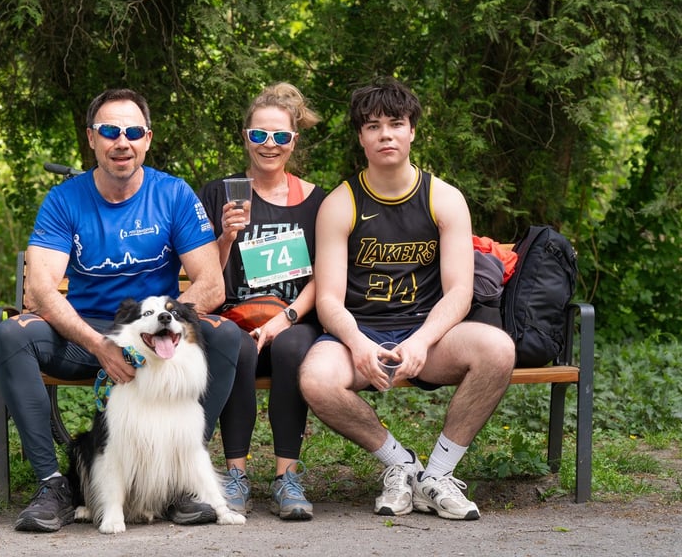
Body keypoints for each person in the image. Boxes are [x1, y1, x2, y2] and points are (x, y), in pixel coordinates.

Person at [0, 88, 241, 532]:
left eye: (131, 132)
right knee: (11, 334)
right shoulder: (64, 200)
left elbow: (210, 284)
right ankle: (54, 484)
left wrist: (160, 331)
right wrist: (100, 345)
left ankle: (180, 482)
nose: (120, 141)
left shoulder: (174, 195)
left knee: (223, 335)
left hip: (154, 335)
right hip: (84, 336)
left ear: (147, 138)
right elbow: (40, 290)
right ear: (92, 138)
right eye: (109, 131)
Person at [298, 78, 515, 521]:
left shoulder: (444, 198)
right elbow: (330, 301)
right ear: (361, 137)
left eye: (396, 124)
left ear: (412, 130)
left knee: (498, 348)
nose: (386, 134)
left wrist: (421, 341)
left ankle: (437, 475)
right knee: (315, 379)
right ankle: (401, 465)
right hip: (361, 335)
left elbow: (459, 291)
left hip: (428, 336)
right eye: (373, 126)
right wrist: (358, 344)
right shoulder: (341, 204)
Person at [198, 83, 325, 520]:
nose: (269, 145)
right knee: (235, 342)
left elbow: (324, 279)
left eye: (280, 137)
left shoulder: (317, 201)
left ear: (294, 141)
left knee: (291, 347)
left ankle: (287, 477)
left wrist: (284, 319)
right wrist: (227, 236)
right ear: (245, 136)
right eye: (259, 135)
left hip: (294, 318)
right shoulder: (219, 194)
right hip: (233, 317)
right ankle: (235, 475)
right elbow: (204, 276)